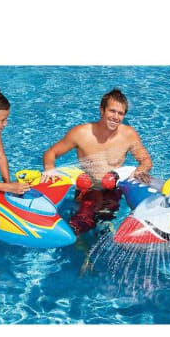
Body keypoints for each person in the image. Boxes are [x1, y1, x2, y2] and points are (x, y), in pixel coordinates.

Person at [40, 88, 152, 234]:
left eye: (120, 113)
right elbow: (51, 152)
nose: (115, 117)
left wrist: (139, 171)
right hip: (87, 190)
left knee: (104, 227)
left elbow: (146, 161)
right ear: (102, 110)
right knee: (79, 226)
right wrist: (49, 168)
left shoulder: (129, 135)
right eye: (112, 111)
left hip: (112, 191)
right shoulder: (81, 133)